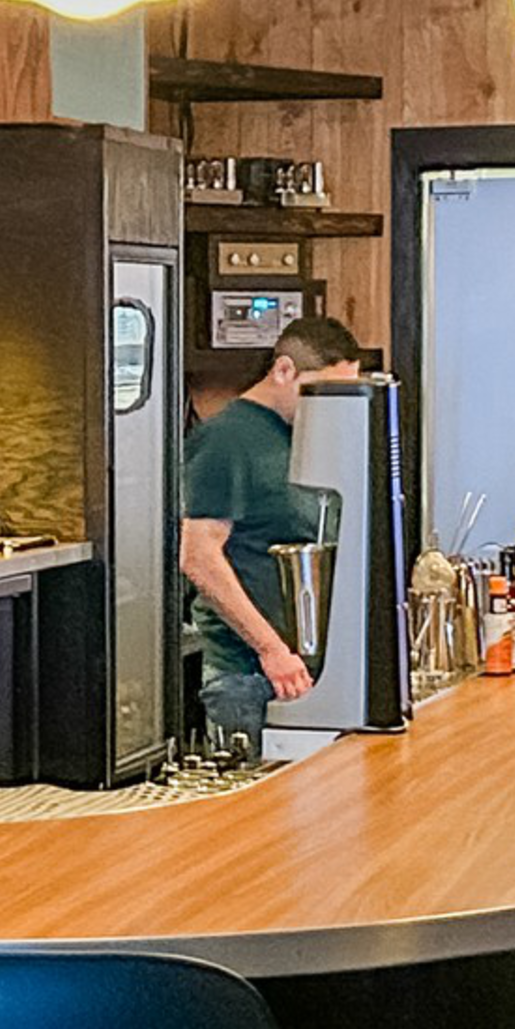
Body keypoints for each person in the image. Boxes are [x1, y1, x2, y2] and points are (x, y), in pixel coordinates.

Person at [181, 313, 365, 752]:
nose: (329, 406)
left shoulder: (306, 435)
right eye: (321, 391)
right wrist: (271, 650)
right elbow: (198, 556)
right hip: (249, 674)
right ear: (284, 371)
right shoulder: (226, 440)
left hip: (312, 666)